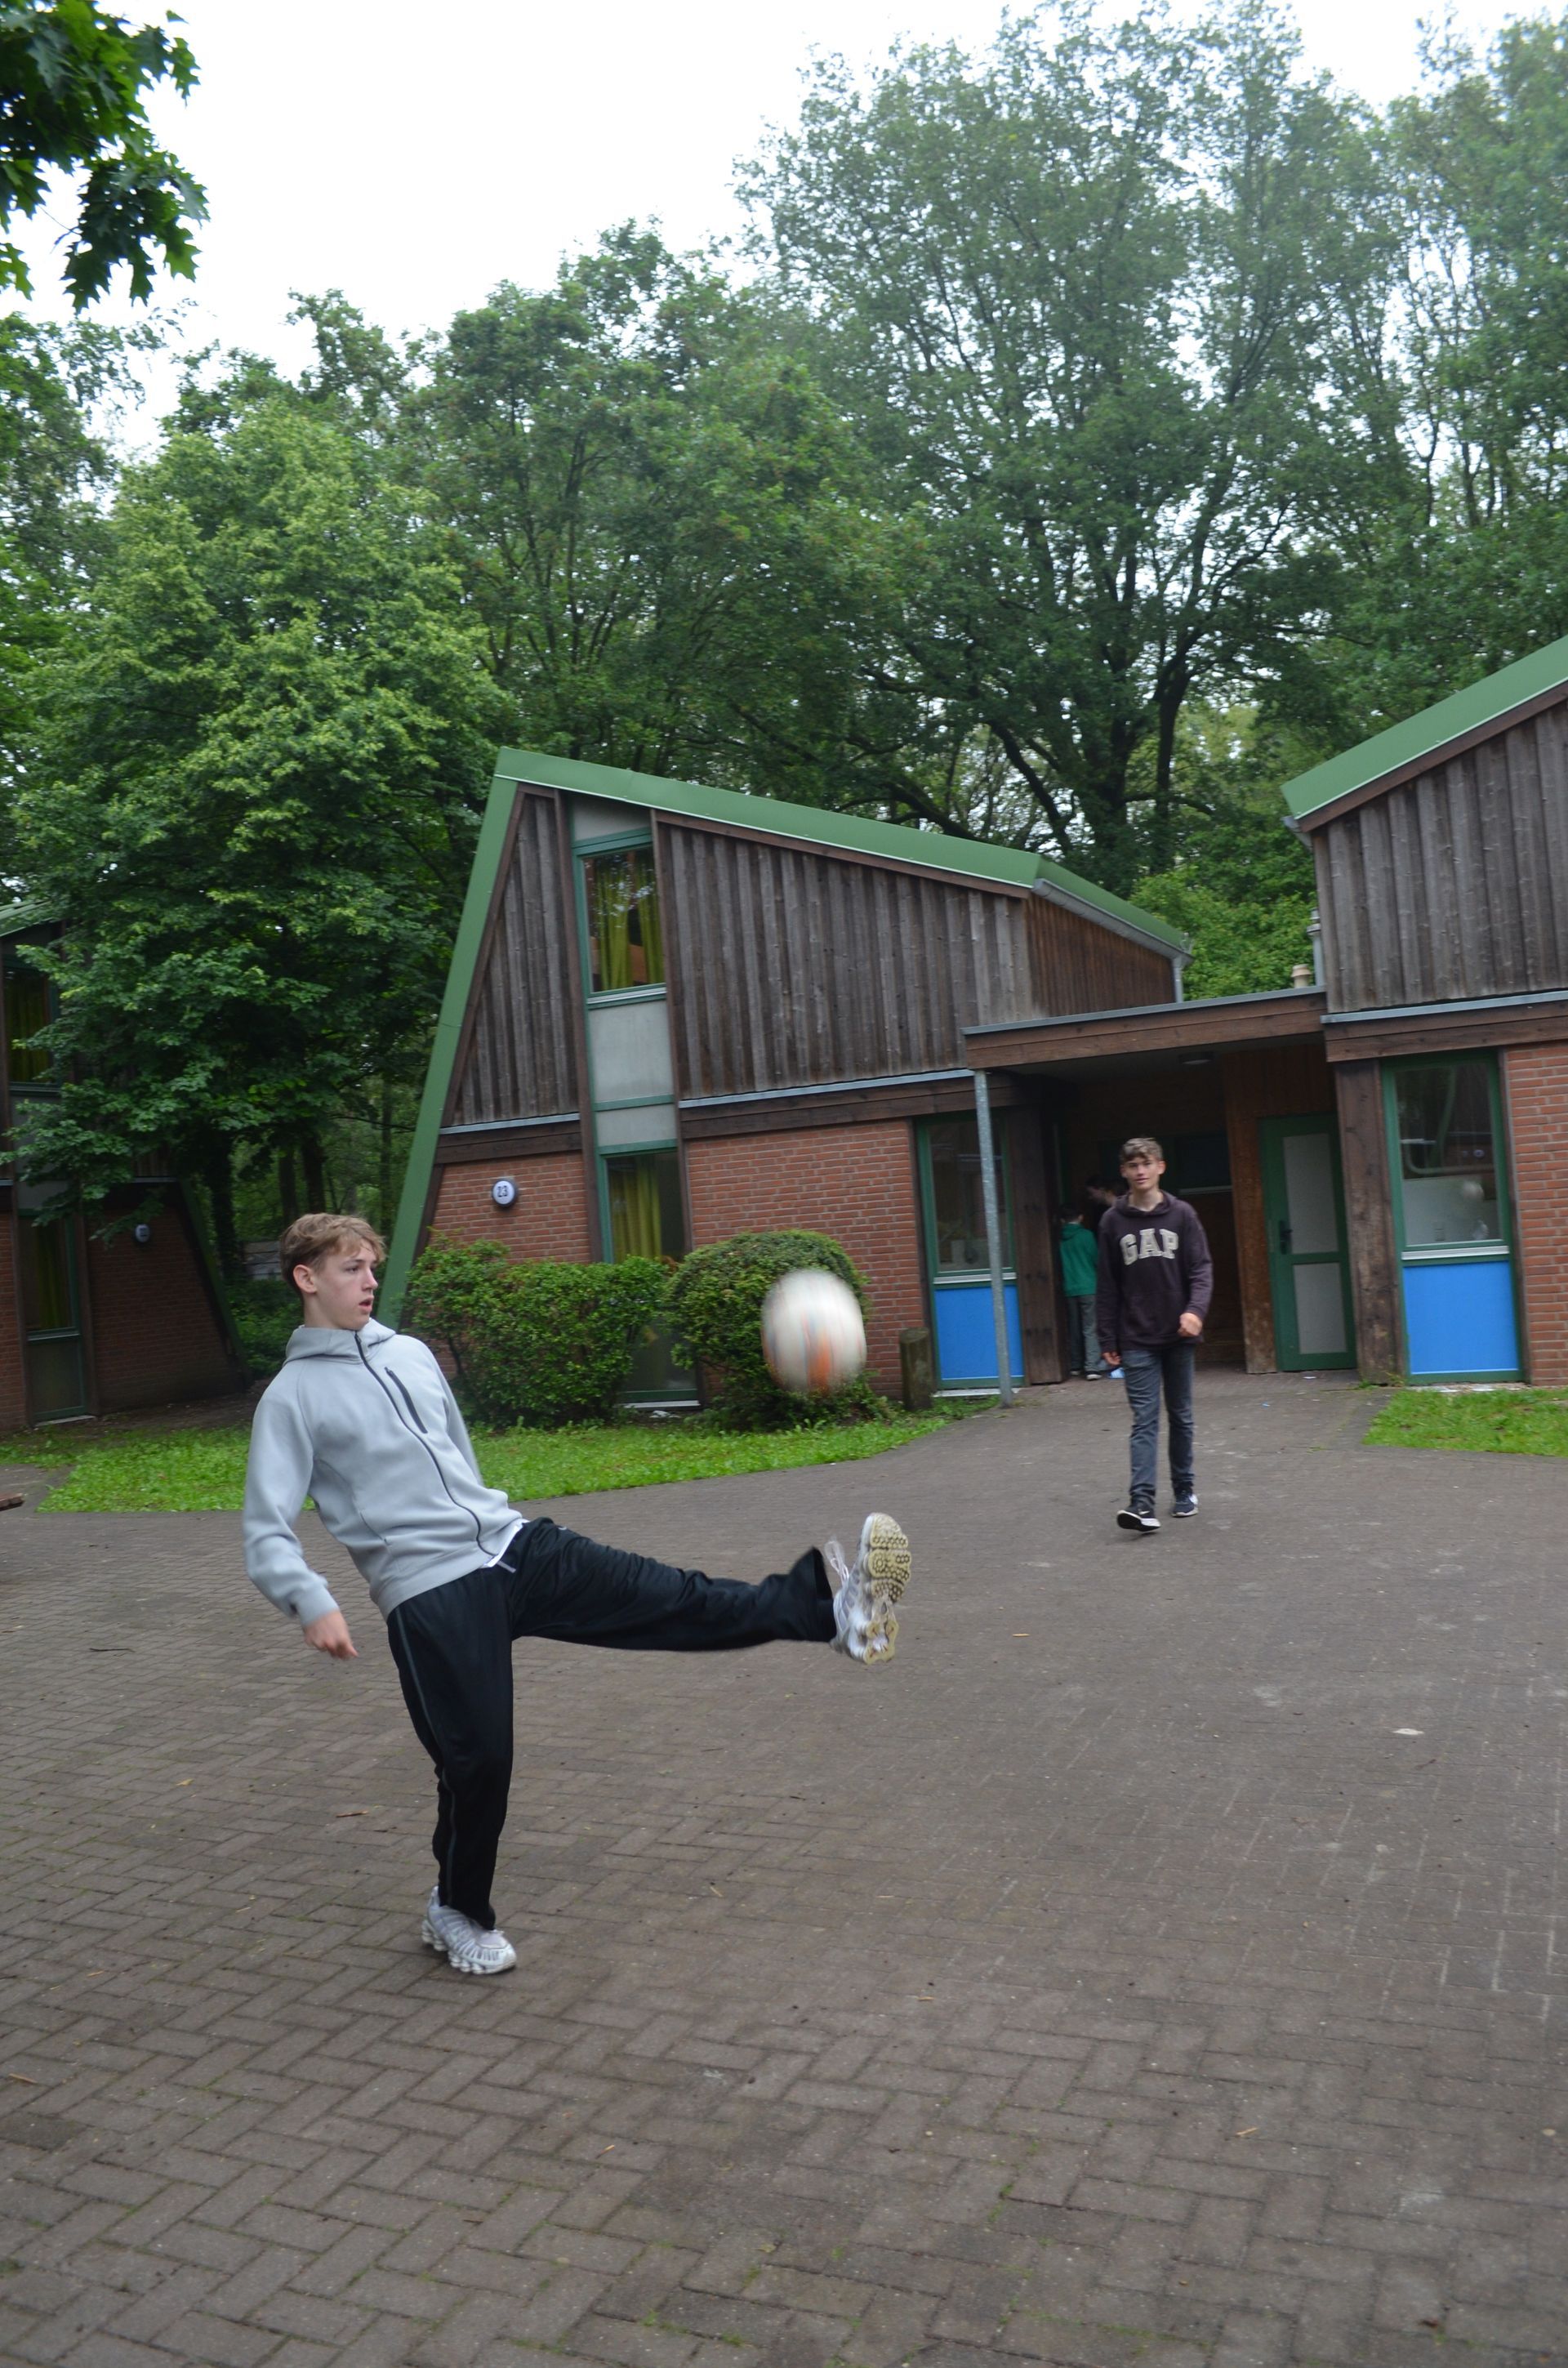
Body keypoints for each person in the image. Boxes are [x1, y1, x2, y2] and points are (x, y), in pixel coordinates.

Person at [243, 1213, 913, 1977]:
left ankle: (835, 1615)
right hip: (430, 1592)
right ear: (307, 1278)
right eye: (351, 1268)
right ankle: (456, 1910)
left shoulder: (411, 1354)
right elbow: (266, 1530)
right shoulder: (291, 1398)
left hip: (514, 1547)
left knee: (672, 1595)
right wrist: (309, 1598)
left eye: (371, 1267)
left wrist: (494, 1520)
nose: (368, 1281)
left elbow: (458, 1462)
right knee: (477, 1765)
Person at [1094, 1137, 1213, 1532]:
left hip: (1178, 1335)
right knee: (1144, 1419)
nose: (1140, 1171)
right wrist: (1107, 1339)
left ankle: (1184, 1490)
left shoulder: (1183, 1216)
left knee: (1181, 1415)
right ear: (1124, 1172)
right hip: (1136, 1338)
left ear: (1161, 1167)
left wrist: (1195, 1311)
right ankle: (1141, 1503)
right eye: (1132, 1165)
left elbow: (1201, 1269)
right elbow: (1107, 1284)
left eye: (1146, 1163)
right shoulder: (1112, 1222)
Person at [1058, 1193, 1102, 1377]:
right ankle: (1092, 1366)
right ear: (1081, 1218)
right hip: (1089, 1286)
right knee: (1090, 1327)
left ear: (1062, 1220)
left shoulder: (1059, 1239)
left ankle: (1075, 1365)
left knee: (1074, 1328)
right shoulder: (1087, 1236)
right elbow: (1097, 1260)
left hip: (1070, 1288)